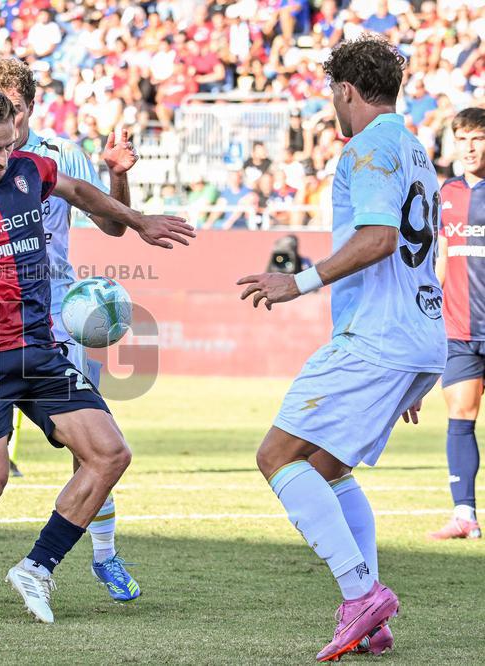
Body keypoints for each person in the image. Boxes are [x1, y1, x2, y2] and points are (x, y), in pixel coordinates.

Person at [0, 88, 192, 622]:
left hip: (41, 350)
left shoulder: (29, 169)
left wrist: (139, 220)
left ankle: (38, 566)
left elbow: (81, 191)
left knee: (110, 454)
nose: (2, 159)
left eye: (8, 146)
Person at [236, 36, 446, 661]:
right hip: (413, 336)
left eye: (333, 91)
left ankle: (362, 595)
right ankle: (371, 620)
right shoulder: (414, 148)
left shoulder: (368, 146)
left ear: (347, 90)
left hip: (379, 337)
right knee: (328, 469)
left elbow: (380, 238)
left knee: (277, 455)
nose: (332, 102)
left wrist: (297, 282)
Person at [430, 106, 485, 540]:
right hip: (459, 331)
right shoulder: (446, 193)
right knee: (460, 416)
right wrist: (429, 311)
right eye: (462, 139)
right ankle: (465, 515)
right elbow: (442, 259)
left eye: (478, 139)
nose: (469, 148)